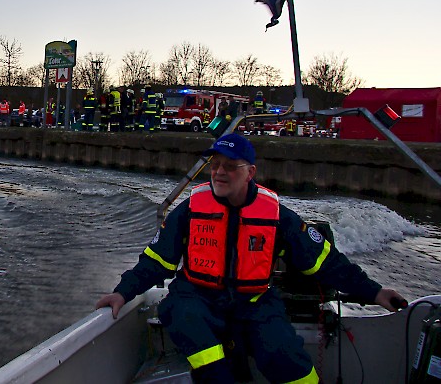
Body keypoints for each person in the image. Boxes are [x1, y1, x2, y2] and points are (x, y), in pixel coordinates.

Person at [96, 133, 405, 384]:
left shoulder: (277, 217)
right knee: (183, 316)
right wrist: (123, 292)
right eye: (215, 164)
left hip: (255, 302)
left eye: (230, 166)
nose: (218, 171)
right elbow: (156, 260)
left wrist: (374, 292)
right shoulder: (191, 209)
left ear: (250, 173)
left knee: (286, 357)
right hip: (198, 298)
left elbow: (325, 261)